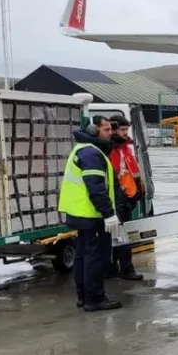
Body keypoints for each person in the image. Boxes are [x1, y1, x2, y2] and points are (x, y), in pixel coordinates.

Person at [58, 115, 123, 311]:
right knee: (95, 257)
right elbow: (96, 188)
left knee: (83, 256)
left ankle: (83, 296)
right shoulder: (92, 154)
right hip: (90, 214)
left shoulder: (83, 150)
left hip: (79, 214)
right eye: (106, 130)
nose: (110, 133)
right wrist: (108, 213)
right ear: (94, 130)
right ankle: (94, 299)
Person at [107, 114, 144, 281]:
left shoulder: (124, 148)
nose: (125, 132)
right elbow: (114, 176)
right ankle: (124, 268)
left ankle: (115, 268)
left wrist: (138, 192)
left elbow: (131, 172)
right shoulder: (112, 150)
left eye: (126, 129)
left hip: (126, 198)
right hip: (118, 200)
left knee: (120, 236)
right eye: (122, 129)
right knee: (121, 237)